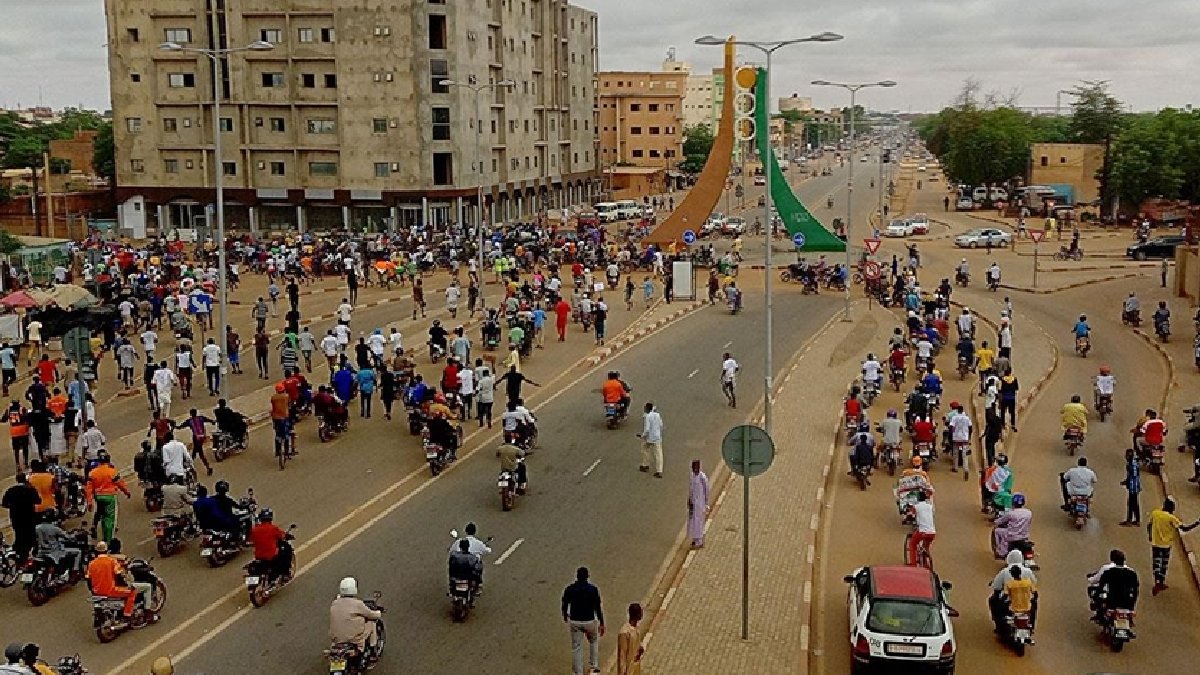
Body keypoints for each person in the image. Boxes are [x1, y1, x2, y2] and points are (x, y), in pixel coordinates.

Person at [1147, 498, 1200, 595]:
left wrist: (1150, 535)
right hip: (1166, 545)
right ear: (1171, 508)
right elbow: (1184, 528)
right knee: (1164, 563)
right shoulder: (1171, 518)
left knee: (1156, 562)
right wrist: (1197, 523)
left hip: (1156, 543)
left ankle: (1157, 581)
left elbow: (1149, 525)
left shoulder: (1155, 513)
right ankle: (1161, 582)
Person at [562, 566, 605, 675]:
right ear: (587, 577)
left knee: (576, 647)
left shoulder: (570, 589)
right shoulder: (593, 589)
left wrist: (565, 615)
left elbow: (564, 603)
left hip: (575, 621)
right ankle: (594, 667)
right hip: (590, 621)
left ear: (577, 576)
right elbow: (598, 607)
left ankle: (578, 672)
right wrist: (602, 623)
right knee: (593, 642)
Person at [329, 577, 383, 661]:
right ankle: (373, 651)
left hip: (337, 639)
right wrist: (379, 613)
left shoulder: (335, 603)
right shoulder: (358, 604)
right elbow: (371, 614)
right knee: (372, 623)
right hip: (354, 639)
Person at [86, 540, 142, 619]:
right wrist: (127, 586)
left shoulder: (91, 564)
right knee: (132, 592)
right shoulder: (112, 561)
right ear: (106, 550)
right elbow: (119, 576)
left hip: (97, 592)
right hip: (111, 590)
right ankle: (127, 614)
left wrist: (92, 591)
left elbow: (88, 579)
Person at [85, 452, 130, 542]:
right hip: (110, 497)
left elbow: (89, 489)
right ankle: (108, 540)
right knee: (110, 519)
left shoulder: (92, 473)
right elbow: (120, 484)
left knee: (102, 516)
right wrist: (126, 492)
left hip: (98, 497)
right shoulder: (111, 471)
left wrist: (89, 502)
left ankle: (102, 535)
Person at [1088, 549, 1139, 621]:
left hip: (1112, 602)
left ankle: (1100, 617)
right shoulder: (1132, 573)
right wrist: (1132, 605)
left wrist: (1095, 599)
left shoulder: (1108, 572)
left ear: (1112, 559)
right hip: (1127, 603)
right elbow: (1136, 591)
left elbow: (1100, 587)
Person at [2, 473, 39, 561]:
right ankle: (30, 552)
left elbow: (4, 504)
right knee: (30, 534)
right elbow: (38, 501)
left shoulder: (11, 490)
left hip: (16, 516)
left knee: (19, 533)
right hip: (29, 516)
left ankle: (20, 552)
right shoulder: (30, 489)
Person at [249, 508, 293, 581]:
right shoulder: (273, 528)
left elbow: (251, 540)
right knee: (286, 552)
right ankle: (285, 574)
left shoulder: (254, 530)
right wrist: (288, 536)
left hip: (258, 555)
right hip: (271, 555)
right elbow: (282, 535)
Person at [1001, 564, 1037, 639]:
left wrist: (1002, 601)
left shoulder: (1010, 584)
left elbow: (1005, 596)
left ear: (1012, 574)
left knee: (1004, 617)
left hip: (1014, 609)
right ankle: (1032, 627)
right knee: (1033, 613)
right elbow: (1035, 594)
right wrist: (1033, 600)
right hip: (1027, 608)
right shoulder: (1028, 582)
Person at [993, 493, 1033, 559]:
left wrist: (995, 521)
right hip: (1024, 536)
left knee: (997, 531)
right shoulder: (1029, 513)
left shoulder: (1011, 513)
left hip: (1012, 535)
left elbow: (999, 521)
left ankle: (1001, 552)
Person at [907, 491, 935, 568]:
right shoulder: (929, 506)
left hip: (922, 532)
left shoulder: (917, 506)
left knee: (912, 544)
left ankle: (913, 565)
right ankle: (926, 565)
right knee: (925, 547)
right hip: (932, 532)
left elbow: (911, 514)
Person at [617, 602, 645, 675]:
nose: (642, 614)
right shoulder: (625, 632)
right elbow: (622, 654)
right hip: (628, 669)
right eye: (640, 612)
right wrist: (622, 671)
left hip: (635, 665)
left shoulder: (636, 628)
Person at [638, 402, 664, 478]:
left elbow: (647, 429)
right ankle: (659, 471)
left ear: (646, 409)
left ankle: (645, 465)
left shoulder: (647, 416)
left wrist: (642, 436)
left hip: (649, 438)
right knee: (658, 454)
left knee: (645, 449)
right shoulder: (657, 415)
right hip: (657, 437)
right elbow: (661, 425)